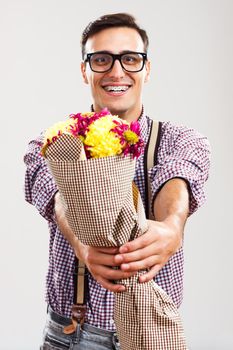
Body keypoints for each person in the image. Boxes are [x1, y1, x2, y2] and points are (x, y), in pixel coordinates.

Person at [24, 13, 211, 350]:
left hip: (153, 331)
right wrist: (85, 246)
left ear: (147, 69)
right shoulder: (52, 144)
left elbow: (177, 180)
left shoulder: (181, 140)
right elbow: (57, 197)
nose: (116, 71)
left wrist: (171, 226)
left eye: (130, 58)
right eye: (100, 59)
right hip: (74, 335)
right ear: (85, 71)